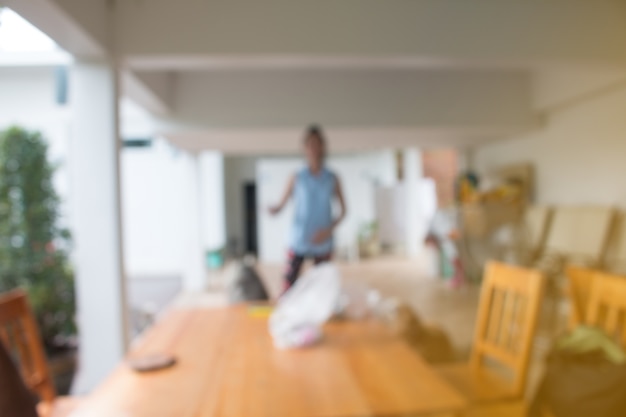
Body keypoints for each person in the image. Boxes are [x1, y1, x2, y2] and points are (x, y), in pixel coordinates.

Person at [269, 125, 346, 291]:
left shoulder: (332, 178)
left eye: (317, 144)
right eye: (310, 144)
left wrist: (328, 231)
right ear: (304, 148)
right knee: (288, 287)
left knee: (323, 288)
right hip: (299, 240)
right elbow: (281, 205)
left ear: (323, 146)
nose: (313, 148)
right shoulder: (297, 177)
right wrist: (274, 209)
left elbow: (343, 211)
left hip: (323, 241)